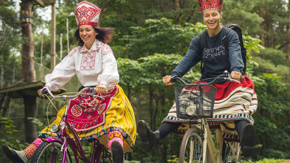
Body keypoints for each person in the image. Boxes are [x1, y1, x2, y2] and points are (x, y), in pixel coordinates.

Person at [2, 1, 136, 163]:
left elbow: (110, 68)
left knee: (111, 123)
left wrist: (103, 84)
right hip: (85, 94)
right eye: (81, 30)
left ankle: (116, 150)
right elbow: (63, 69)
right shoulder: (76, 52)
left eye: (88, 30)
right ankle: (27, 154)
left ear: (95, 32)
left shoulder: (104, 49)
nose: (84, 33)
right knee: (60, 122)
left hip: (106, 92)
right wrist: (48, 86)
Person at [137, 0, 257, 158]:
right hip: (208, 85)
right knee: (182, 104)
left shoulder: (229, 35)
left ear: (220, 15)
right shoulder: (199, 40)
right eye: (207, 15)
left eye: (214, 14)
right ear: (203, 17)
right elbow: (188, 60)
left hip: (230, 82)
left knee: (237, 106)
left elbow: (235, 53)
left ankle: (246, 142)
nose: (211, 18)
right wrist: (174, 75)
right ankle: (155, 137)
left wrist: (236, 70)